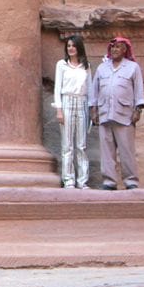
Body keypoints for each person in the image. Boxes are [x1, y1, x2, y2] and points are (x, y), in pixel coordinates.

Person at [90, 36, 144, 190]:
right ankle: (109, 182)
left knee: (126, 150)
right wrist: (93, 109)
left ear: (125, 50)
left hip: (125, 115)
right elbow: (94, 90)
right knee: (107, 151)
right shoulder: (102, 68)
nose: (114, 50)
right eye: (112, 47)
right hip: (104, 114)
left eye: (118, 47)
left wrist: (138, 109)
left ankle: (131, 182)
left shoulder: (133, 67)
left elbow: (138, 90)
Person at [53, 34, 92, 189]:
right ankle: (69, 180)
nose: (70, 48)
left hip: (82, 101)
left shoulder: (86, 66)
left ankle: (83, 181)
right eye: (68, 46)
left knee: (81, 145)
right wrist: (59, 110)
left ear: (79, 47)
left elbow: (89, 88)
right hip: (67, 100)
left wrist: (91, 108)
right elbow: (57, 88)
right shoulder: (62, 64)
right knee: (67, 144)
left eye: (73, 45)